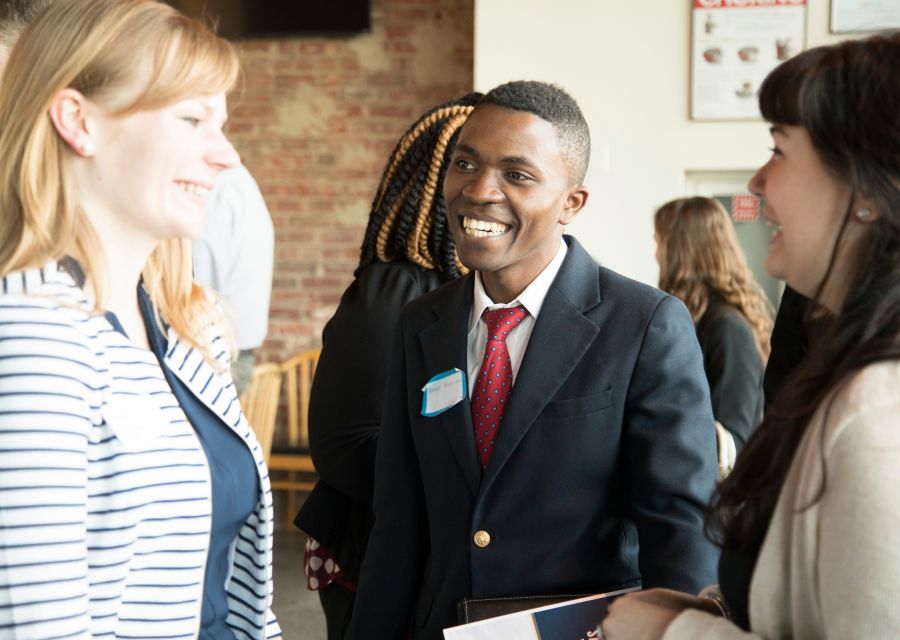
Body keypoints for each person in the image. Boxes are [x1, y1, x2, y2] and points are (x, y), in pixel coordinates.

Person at [346, 81, 720, 640]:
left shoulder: (644, 324)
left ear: (572, 202)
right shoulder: (421, 324)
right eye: (464, 164)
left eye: (517, 175)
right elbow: (398, 519)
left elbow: (680, 528)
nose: (478, 191)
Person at [603, 31, 900, 639]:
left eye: (780, 151)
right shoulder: (852, 375)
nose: (759, 182)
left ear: (866, 190)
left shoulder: (879, 412)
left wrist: (672, 635)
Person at [0, 1, 280, 637]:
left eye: (222, 123)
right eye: (191, 120)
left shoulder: (186, 323)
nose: (227, 156)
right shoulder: (32, 330)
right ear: (79, 121)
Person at [295, 92, 483, 640]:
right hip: (372, 551)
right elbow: (345, 444)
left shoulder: (477, 290)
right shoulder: (395, 288)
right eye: (468, 165)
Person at [654, 196, 773, 464]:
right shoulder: (692, 321)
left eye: (658, 242)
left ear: (680, 250)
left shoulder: (728, 328)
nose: (656, 254)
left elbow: (734, 440)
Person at [192, 164, 275, 394]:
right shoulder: (241, 184)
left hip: (216, 354)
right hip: (238, 348)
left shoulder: (216, 186)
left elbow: (198, 279)